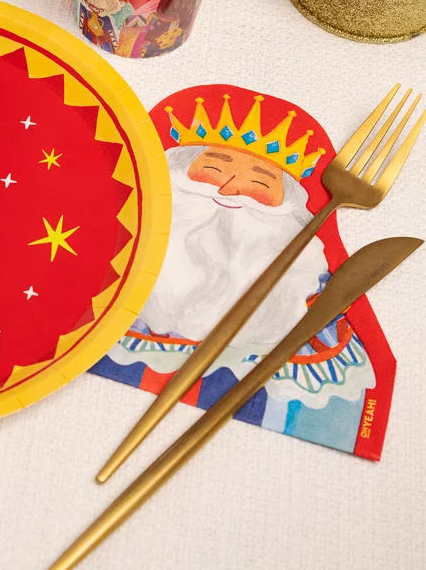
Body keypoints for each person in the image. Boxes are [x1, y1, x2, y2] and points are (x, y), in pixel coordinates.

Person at [93, 90, 378, 451]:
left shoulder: (313, 307)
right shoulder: (102, 256)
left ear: (289, 205)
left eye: (260, 183)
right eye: (213, 170)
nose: (230, 191)